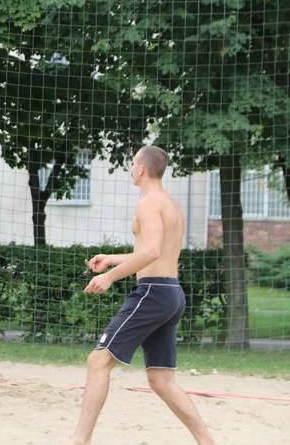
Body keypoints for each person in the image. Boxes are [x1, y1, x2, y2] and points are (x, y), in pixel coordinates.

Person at [70, 146, 215, 445]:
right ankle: (208, 442)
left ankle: (79, 441)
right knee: (161, 379)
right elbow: (153, 252)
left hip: (152, 292)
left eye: (133, 162)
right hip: (171, 292)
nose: (131, 167)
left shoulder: (148, 204)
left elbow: (151, 252)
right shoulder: (171, 204)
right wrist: (111, 258)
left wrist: (109, 277)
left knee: (98, 361)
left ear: (141, 169)